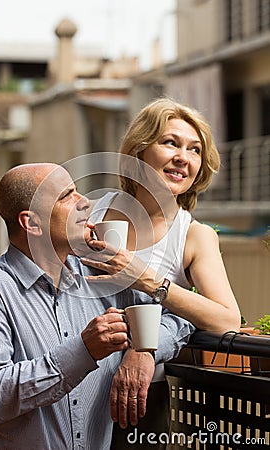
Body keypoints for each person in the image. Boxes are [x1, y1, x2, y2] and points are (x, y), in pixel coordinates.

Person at [0, 162, 195, 450]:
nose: (85, 202)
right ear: (31, 223)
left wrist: (144, 348)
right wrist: (83, 351)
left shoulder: (103, 272)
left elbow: (179, 316)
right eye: (67, 195)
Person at [82, 97, 242, 449]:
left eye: (195, 150)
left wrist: (147, 281)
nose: (184, 157)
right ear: (138, 152)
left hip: (136, 403)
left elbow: (227, 319)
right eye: (170, 142)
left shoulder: (194, 235)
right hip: (69, 392)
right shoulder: (92, 212)